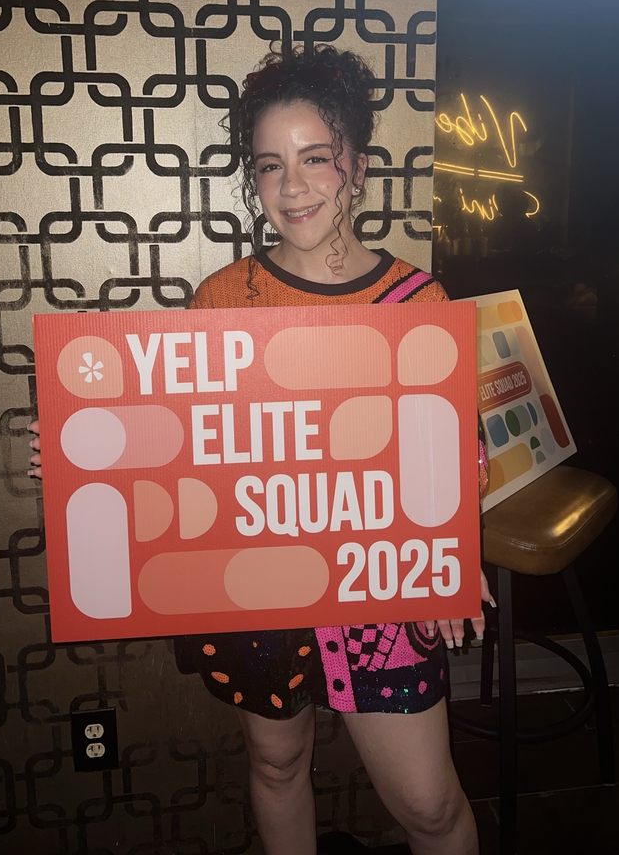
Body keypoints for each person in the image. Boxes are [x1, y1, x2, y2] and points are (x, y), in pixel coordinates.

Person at [30, 44, 491, 855]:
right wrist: (87, 452)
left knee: (428, 807)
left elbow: (456, 454)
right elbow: (190, 445)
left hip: (380, 589)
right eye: (270, 165)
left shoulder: (416, 301)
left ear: (357, 165)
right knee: (276, 764)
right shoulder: (223, 298)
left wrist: (450, 558)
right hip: (254, 585)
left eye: (314, 157)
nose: (292, 185)